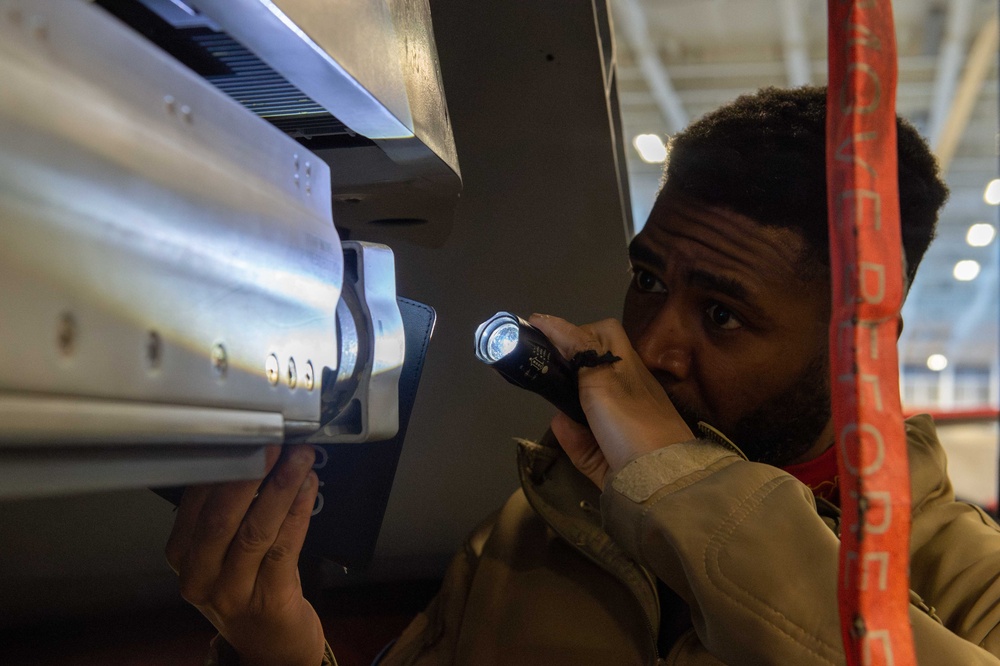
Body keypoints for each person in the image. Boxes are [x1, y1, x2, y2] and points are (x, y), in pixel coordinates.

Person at [165, 86, 1000, 665]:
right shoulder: (541, 526)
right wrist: (281, 649)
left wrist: (679, 482)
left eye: (722, 316)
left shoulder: (969, 580)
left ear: (864, 349)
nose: (653, 348)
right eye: (647, 282)